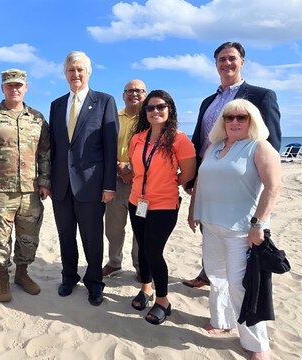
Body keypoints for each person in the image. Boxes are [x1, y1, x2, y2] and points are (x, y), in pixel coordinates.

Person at [183, 41, 281, 290]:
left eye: (232, 58)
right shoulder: (207, 102)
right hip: (210, 175)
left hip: (240, 178)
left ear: (242, 62)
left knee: (238, 238)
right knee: (211, 231)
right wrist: (193, 178)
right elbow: (200, 139)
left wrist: (262, 175)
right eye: (221, 59)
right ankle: (209, 274)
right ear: (215, 65)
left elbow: (271, 141)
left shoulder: (261, 96)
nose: (227, 63)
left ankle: (235, 287)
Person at [187, 99, 281, 359]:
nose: (235, 122)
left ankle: (257, 344)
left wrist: (258, 224)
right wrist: (194, 210)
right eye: (229, 117)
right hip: (211, 224)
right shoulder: (215, 147)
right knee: (217, 277)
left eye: (242, 117)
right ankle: (221, 320)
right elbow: (200, 183)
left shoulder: (260, 147)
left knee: (242, 285)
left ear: (252, 120)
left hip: (242, 229)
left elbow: (273, 189)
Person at [0, 68, 51, 303]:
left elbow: (45, 153)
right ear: (2, 88)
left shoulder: (37, 119)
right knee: (0, 240)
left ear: (26, 88)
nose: (14, 89)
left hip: (30, 192)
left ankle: (22, 274)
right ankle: (2, 277)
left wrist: (45, 181)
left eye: (18, 85)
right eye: (9, 85)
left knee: (29, 239)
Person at [49, 51, 118, 306]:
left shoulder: (104, 101)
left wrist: (109, 185)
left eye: (80, 70)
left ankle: (94, 282)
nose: (75, 74)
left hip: (91, 184)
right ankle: (69, 277)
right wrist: (47, 180)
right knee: (65, 235)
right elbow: (54, 148)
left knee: (92, 237)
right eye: (71, 70)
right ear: (65, 74)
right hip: (61, 185)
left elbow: (110, 147)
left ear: (88, 72)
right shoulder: (56, 105)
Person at [127, 90, 196, 325]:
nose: (155, 111)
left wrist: (169, 182)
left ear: (170, 110)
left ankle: (163, 300)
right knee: (142, 248)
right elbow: (136, 167)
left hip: (164, 205)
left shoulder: (179, 139)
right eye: (150, 108)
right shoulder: (138, 138)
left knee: (153, 251)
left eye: (161, 107)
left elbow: (188, 173)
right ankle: (146, 288)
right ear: (144, 112)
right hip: (137, 202)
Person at [103, 79, 146, 280]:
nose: (133, 94)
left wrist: (132, 168)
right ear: (123, 95)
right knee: (113, 226)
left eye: (138, 91)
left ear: (145, 94)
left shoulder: (150, 118)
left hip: (142, 183)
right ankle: (114, 262)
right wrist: (117, 167)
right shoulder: (112, 117)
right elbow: (102, 144)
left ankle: (139, 265)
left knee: (140, 227)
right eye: (129, 90)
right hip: (115, 180)